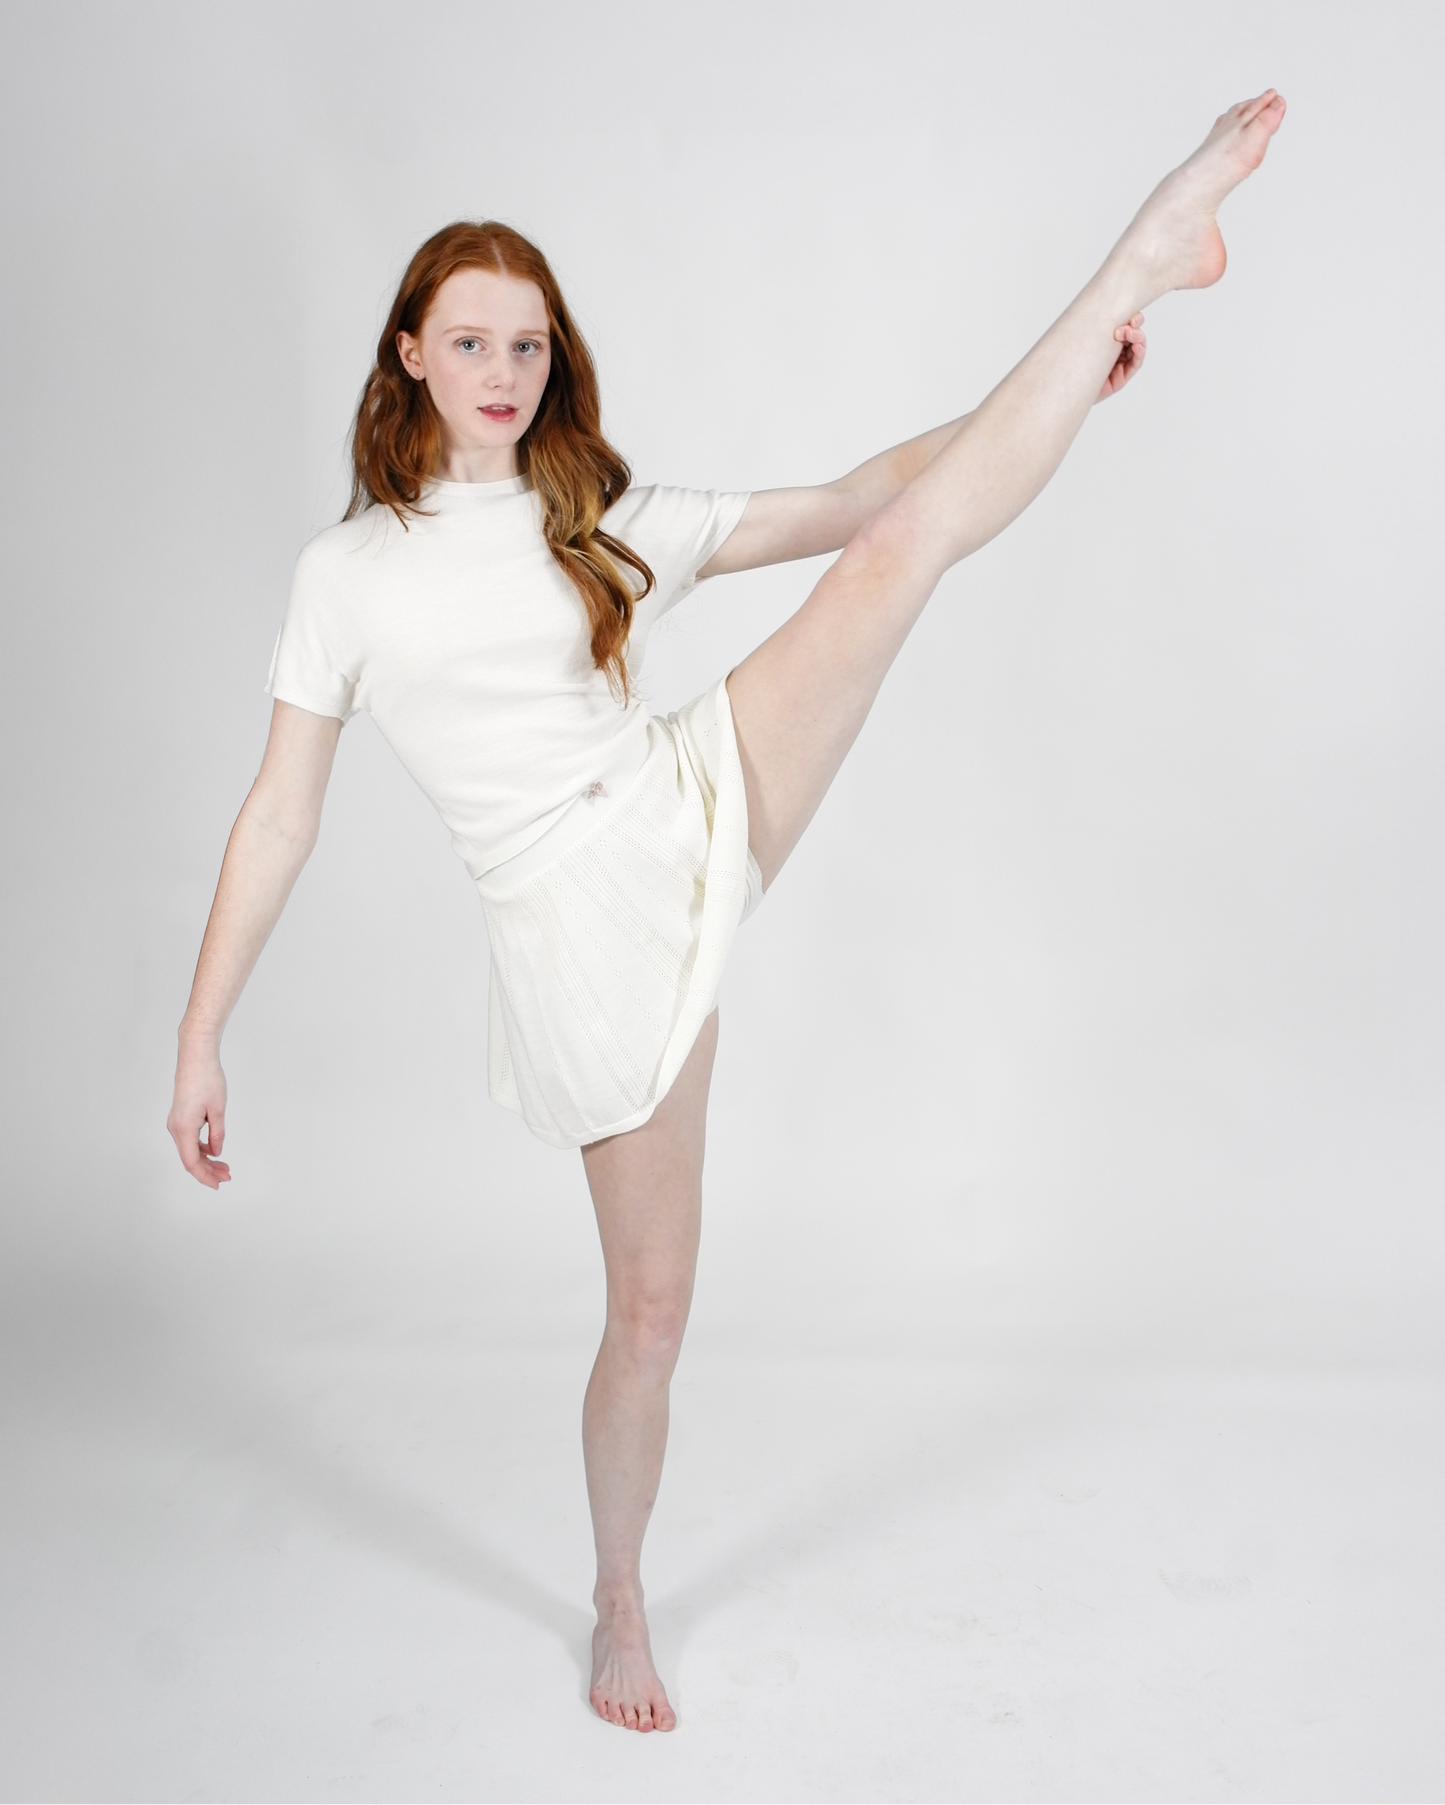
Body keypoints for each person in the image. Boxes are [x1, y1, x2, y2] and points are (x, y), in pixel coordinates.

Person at [168, 91, 1287, 1732]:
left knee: (897, 549)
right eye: (471, 342)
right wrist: (201, 1034)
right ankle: (619, 1589)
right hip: (572, 929)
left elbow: (867, 498)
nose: (503, 373)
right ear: (409, 353)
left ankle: (1136, 260)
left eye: (530, 347)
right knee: (652, 1309)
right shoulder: (346, 579)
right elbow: (279, 816)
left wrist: (1055, 396)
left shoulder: (592, 520)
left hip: (687, 799)